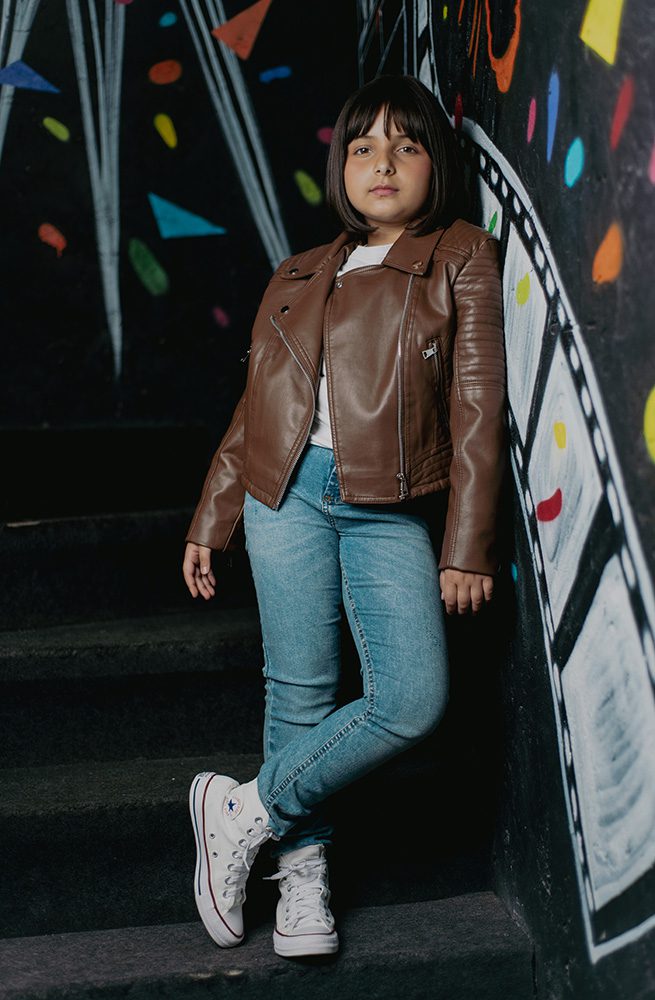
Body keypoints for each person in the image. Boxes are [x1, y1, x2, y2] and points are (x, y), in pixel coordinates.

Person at [182, 73, 506, 959]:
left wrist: (467, 543)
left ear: (434, 163)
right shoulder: (296, 272)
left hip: (387, 503)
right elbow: (256, 408)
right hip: (282, 493)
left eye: (405, 145)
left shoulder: (461, 255)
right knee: (300, 689)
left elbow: (479, 408)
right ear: (342, 169)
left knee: (411, 699)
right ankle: (302, 872)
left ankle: (241, 809)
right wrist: (212, 516)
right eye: (363, 147)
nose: (382, 163)